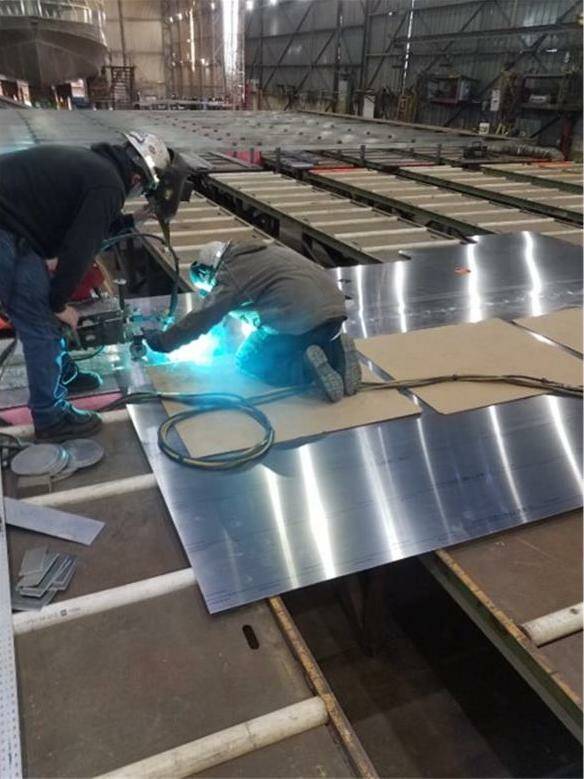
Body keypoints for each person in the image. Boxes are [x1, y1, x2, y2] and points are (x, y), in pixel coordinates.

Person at [0, 132, 173, 441]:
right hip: (6, 233)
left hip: (15, 232)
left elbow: (88, 223)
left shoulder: (95, 167)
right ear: (137, 177)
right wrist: (59, 304)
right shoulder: (108, 184)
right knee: (44, 321)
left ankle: (59, 383)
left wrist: (133, 219)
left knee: (43, 320)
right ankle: (51, 417)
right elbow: (80, 249)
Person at [144, 240, 361, 402]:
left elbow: (205, 315)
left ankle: (304, 367)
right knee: (305, 336)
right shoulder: (268, 252)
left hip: (301, 322)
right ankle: (335, 351)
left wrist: (164, 341)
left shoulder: (230, 273)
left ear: (206, 271)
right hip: (335, 315)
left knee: (249, 359)